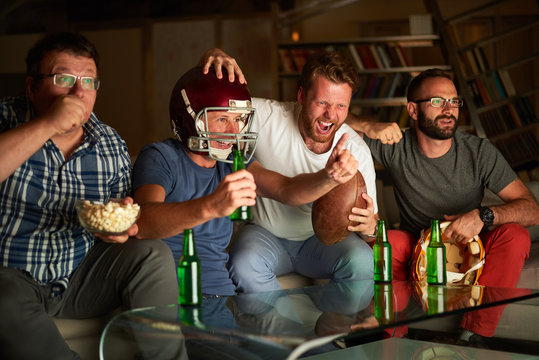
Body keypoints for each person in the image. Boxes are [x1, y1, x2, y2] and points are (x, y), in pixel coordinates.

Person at [0, 32, 178, 360]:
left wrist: (118, 226)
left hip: (80, 273)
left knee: (152, 254)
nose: (79, 92)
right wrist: (48, 125)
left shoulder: (109, 142)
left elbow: (118, 216)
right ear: (31, 87)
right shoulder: (5, 118)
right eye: (63, 78)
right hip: (12, 273)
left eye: (89, 81)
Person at [132, 65, 359, 297]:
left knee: (282, 331)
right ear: (190, 118)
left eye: (239, 119)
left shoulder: (231, 162)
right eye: (222, 119)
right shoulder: (161, 157)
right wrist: (211, 205)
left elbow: (286, 189)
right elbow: (143, 221)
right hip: (171, 293)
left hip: (220, 294)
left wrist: (328, 177)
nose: (234, 131)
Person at [350, 68, 539, 345]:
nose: (449, 109)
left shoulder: (479, 151)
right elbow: (335, 118)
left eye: (454, 101)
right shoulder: (396, 146)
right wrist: (368, 126)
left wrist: (483, 215)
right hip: (417, 246)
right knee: (384, 243)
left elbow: (532, 209)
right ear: (413, 110)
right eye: (437, 101)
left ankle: (473, 336)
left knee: (516, 235)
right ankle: (389, 339)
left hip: (471, 247)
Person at [198, 48, 379, 294]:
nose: (330, 115)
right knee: (243, 264)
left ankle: (332, 330)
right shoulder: (264, 117)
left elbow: (371, 228)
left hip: (320, 243)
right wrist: (213, 56)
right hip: (264, 233)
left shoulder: (357, 151)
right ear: (302, 96)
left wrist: (370, 228)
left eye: (340, 106)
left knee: (362, 261)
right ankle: (286, 329)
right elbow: (211, 106)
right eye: (322, 102)